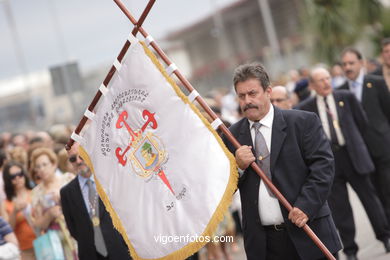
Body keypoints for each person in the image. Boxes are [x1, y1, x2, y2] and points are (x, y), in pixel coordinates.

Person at [222, 62, 341, 260]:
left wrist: (305, 206)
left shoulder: (303, 122)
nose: (247, 101)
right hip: (266, 245)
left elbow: (323, 167)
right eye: (241, 96)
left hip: (308, 231)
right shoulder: (231, 136)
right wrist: (238, 168)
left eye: (253, 93)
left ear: (268, 91)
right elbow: (224, 187)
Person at [298, 67, 390, 259]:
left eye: (327, 78)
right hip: (329, 161)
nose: (326, 83)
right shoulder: (306, 107)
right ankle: (350, 249)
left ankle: (385, 236)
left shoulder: (346, 97)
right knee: (340, 208)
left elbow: (362, 123)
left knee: (370, 199)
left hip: (353, 155)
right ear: (313, 85)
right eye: (320, 80)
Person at [338, 47, 390, 222]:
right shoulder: (340, 92)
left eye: (351, 63)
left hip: (382, 147)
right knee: (375, 192)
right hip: (361, 153)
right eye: (344, 64)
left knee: (387, 187)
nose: (348, 67)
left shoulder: (376, 82)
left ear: (361, 63)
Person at [60, 142, 131, 260]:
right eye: (73, 159)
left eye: (81, 156)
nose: (78, 161)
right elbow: (73, 229)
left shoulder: (109, 179)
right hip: (90, 254)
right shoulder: (67, 192)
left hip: (120, 249)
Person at [29, 147, 76, 259]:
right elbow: (38, 224)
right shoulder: (37, 193)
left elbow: (81, 205)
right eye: (38, 166)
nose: (42, 169)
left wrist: (62, 201)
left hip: (75, 232)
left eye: (45, 164)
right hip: (55, 240)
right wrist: (49, 214)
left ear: (54, 164)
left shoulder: (68, 179)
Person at [3, 161, 36, 259]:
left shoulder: (35, 193)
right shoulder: (6, 203)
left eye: (20, 174)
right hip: (24, 250)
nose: (17, 178)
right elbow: (8, 229)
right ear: (8, 180)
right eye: (12, 177)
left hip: (44, 242)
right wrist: (14, 212)